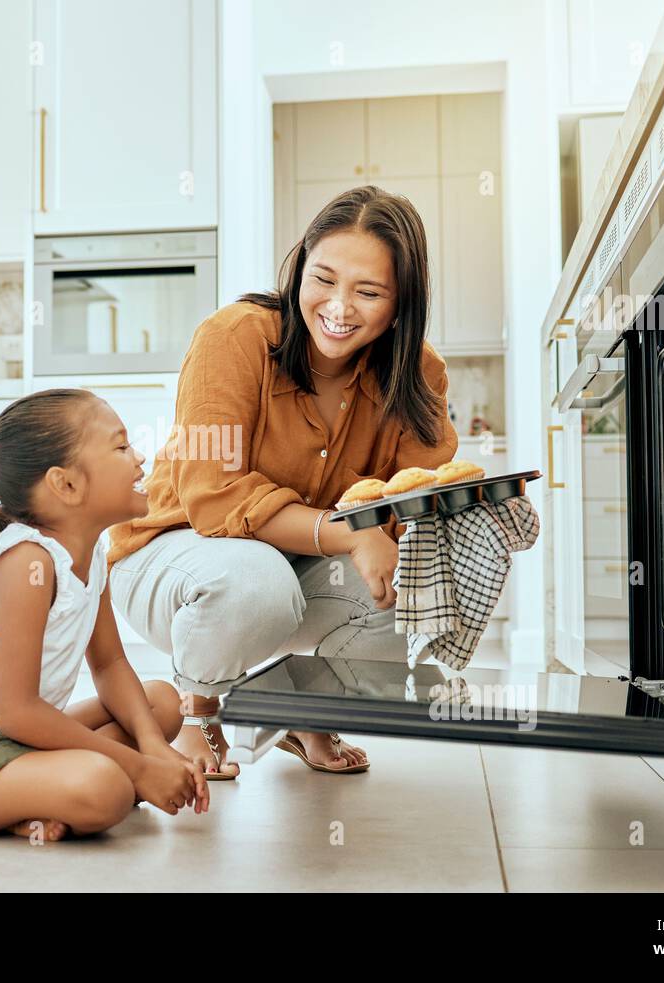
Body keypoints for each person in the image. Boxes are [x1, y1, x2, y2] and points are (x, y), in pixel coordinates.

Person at [107, 185, 460, 778]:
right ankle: (198, 710)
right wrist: (349, 534)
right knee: (255, 583)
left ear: (400, 304)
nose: (339, 307)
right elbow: (214, 499)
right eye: (323, 279)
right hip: (176, 555)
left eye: (368, 292)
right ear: (299, 267)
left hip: (295, 566)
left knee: (421, 590)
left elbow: (419, 495)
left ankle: (303, 707)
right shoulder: (235, 337)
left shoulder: (419, 372)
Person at [0, 389, 209, 839]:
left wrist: (152, 749)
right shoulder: (27, 565)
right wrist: (137, 767)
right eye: (122, 446)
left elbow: (109, 664)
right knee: (105, 786)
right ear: (65, 484)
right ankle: (43, 797)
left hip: (4, 740)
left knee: (162, 705)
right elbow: (17, 713)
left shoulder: (91, 555)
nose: (140, 458)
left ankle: (40, 793)